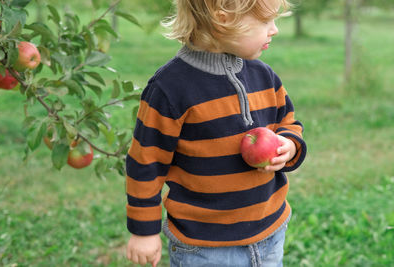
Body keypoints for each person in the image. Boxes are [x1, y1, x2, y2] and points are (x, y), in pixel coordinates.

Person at [125, 0, 307, 266]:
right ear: (224, 19)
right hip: (205, 248)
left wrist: (288, 144)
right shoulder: (170, 89)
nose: (275, 30)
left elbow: (288, 122)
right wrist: (144, 232)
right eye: (266, 21)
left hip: (270, 232)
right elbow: (146, 162)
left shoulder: (265, 76)